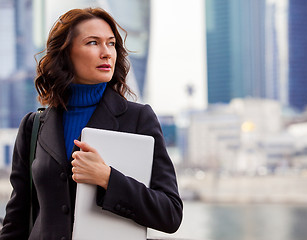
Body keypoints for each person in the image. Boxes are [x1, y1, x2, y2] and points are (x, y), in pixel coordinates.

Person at [0, 7, 183, 240]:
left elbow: (170, 213)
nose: (107, 53)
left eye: (111, 43)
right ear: (65, 53)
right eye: (93, 43)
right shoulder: (33, 126)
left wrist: (107, 178)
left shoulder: (139, 118)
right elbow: (16, 219)